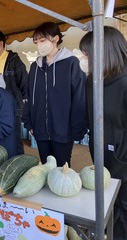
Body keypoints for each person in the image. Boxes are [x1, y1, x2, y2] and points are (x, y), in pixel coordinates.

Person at [79, 26, 127, 240]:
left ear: (103, 53)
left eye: (86, 54)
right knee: (106, 201)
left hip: (123, 159)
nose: (82, 58)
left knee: (123, 206)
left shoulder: (124, 83)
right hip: (100, 153)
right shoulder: (92, 80)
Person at [22, 22, 87, 167]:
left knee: (62, 169)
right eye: (36, 42)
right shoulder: (35, 67)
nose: (39, 45)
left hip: (63, 130)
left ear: (55, 39)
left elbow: (79, 97)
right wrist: (29, 122)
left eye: (43, 40)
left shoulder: (71, 63)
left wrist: (77, 128)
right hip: (40, 130)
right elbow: (28, 95)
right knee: (46, 167)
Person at [0, 29, 28, 155]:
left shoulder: (14, 61)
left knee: (14, 139)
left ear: (1, 44)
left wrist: (23, 106)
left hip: (11, 108)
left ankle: (18, 163)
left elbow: (24, 84)